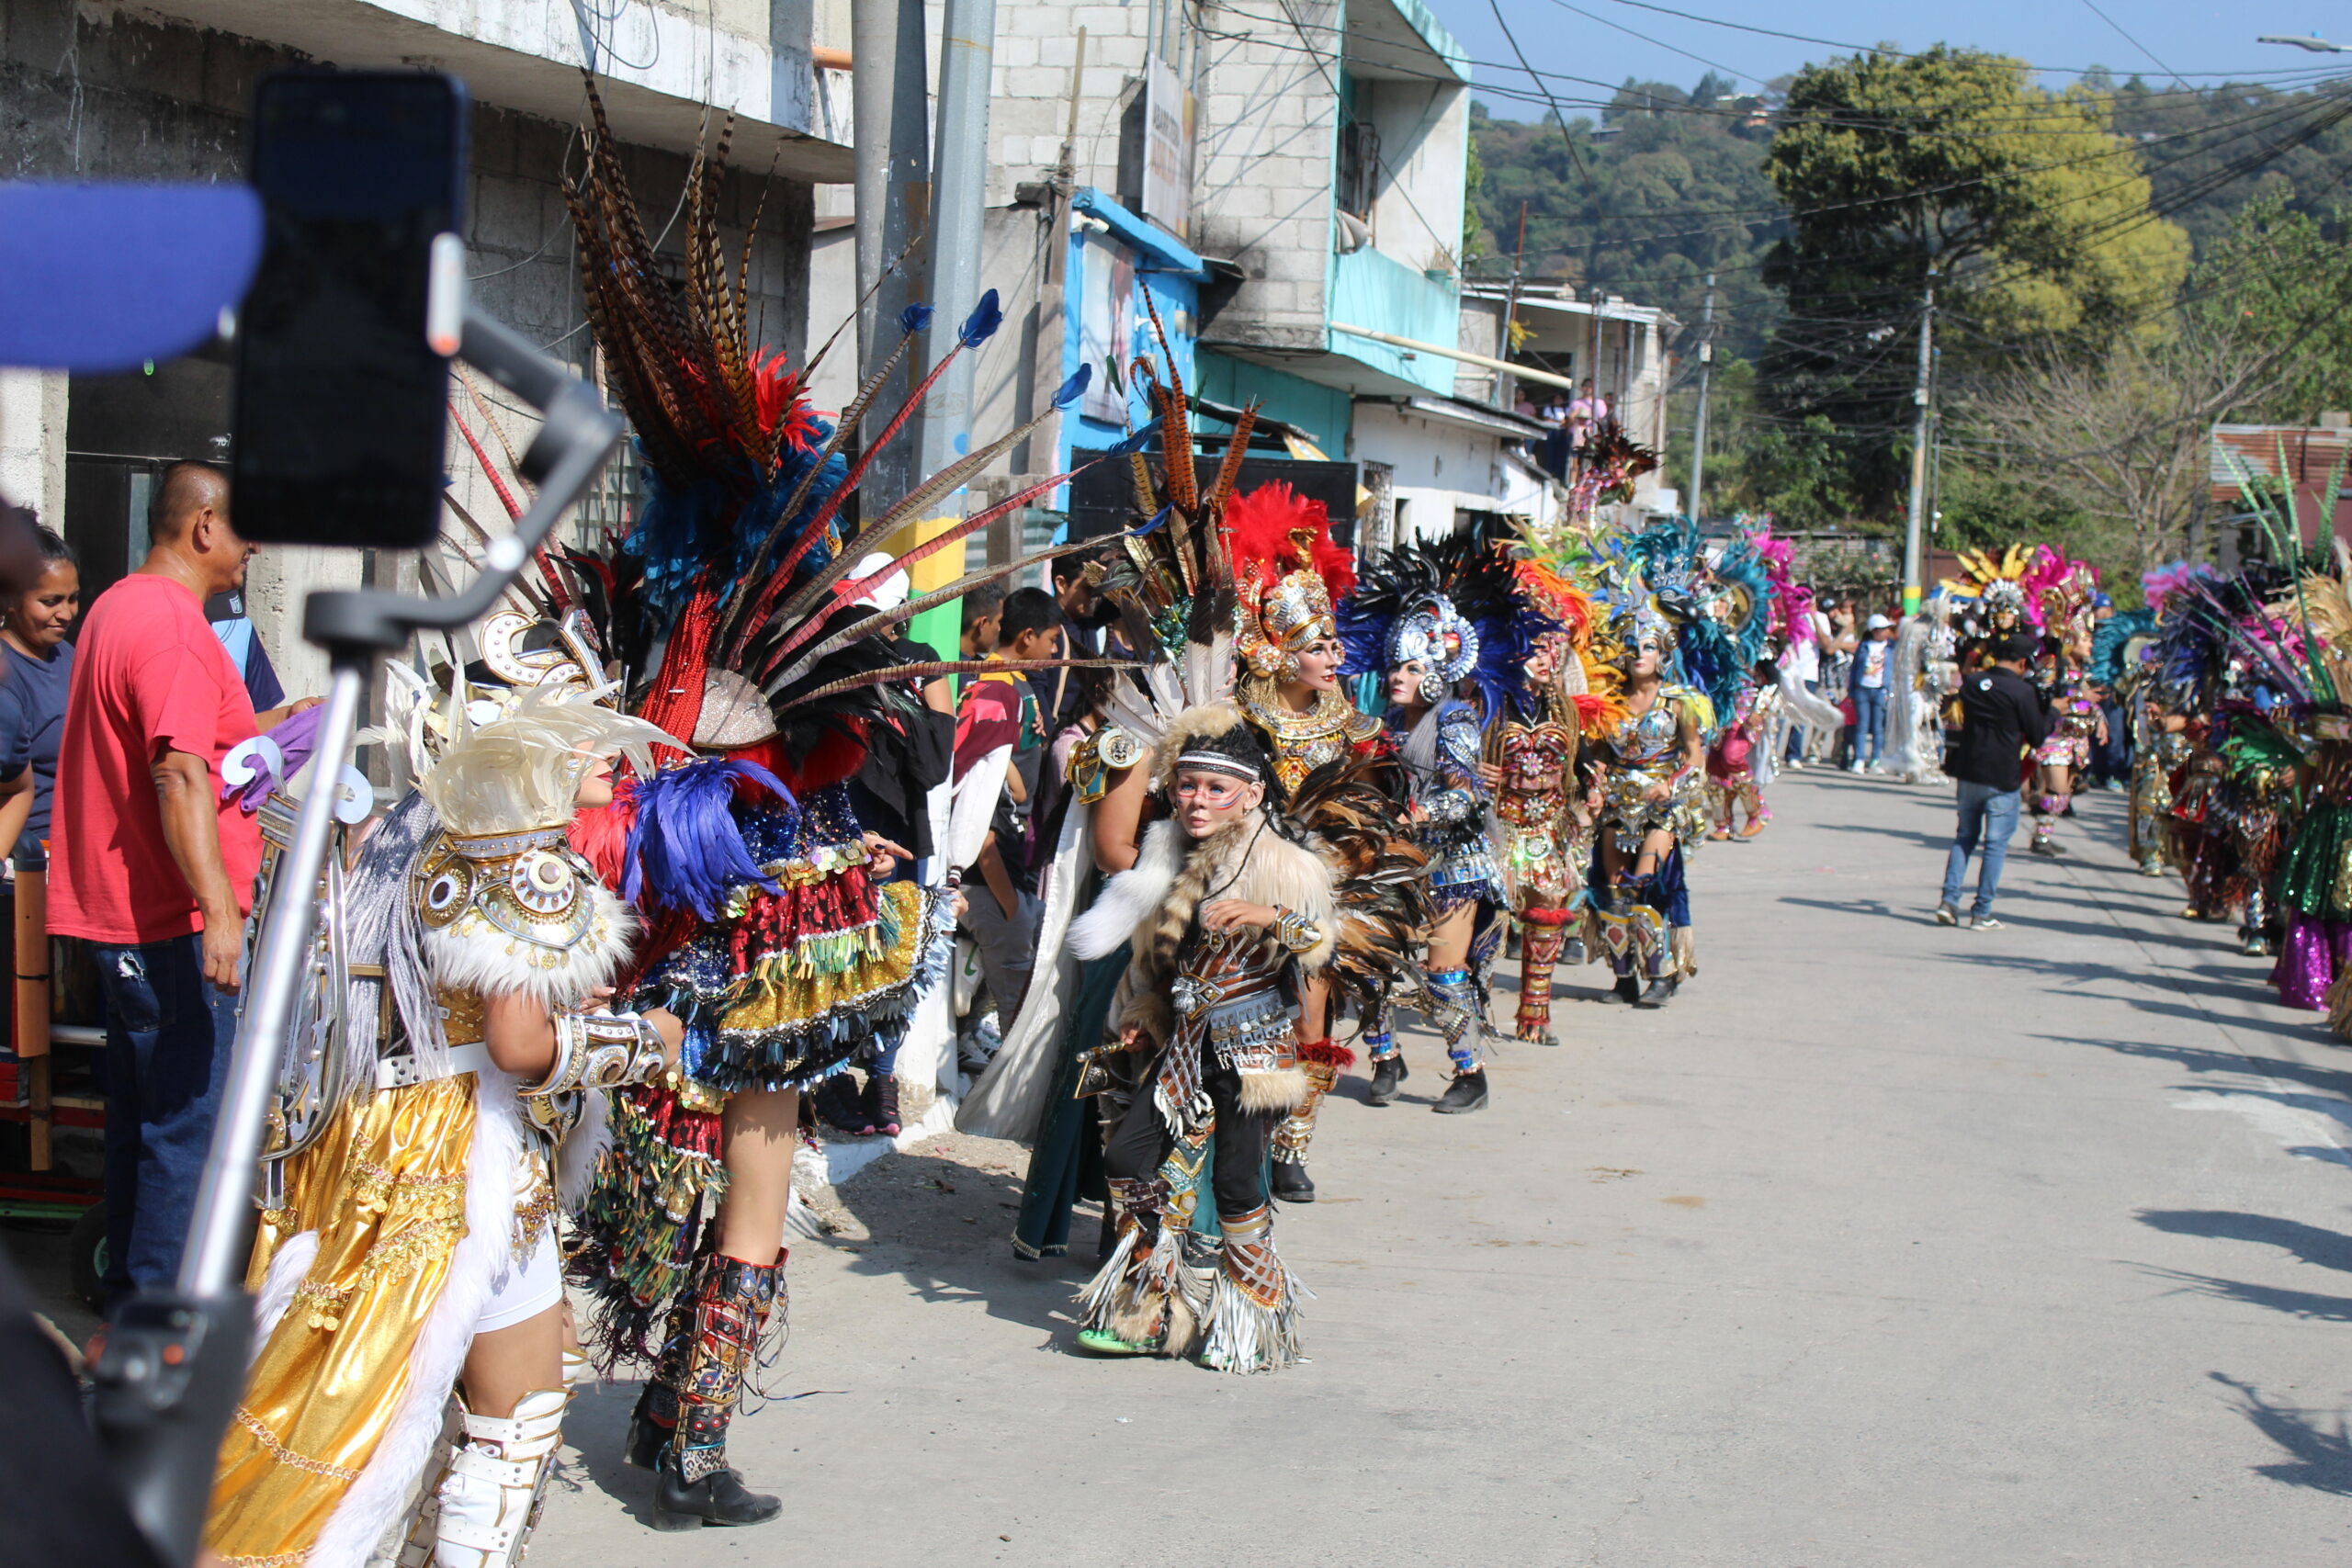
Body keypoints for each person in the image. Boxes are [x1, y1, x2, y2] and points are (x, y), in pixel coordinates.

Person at [205, 673, 680, 1568]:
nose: (615, 755)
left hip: (374, 1139)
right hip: (465, 1156)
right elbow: (516, 1042)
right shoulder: (519, 852)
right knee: (511, 1429)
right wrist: (649, 1042)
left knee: (405, 1420)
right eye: (592, 729)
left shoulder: (407, 828)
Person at [47, 460, 314, 1302]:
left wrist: (289, 724)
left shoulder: (121, 608)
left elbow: (206, 747)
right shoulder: (168, 625)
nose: (253, 547)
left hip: (126, 919)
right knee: (182, 1134)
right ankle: (156, 1332)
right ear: (204, 527)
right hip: (167, 922)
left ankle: (127, 1305)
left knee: (143, 1124)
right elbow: (179, 775)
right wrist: (217, 912)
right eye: (243, 529)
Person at [1067, 704, 1338, 1371]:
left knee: (1240, 1183)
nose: (1197, 800)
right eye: (1187, 783)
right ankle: (1151, 1303)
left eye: (1216, 788)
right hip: (1182, 1046)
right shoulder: (1166, 850)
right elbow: (1163, 962)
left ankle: (1250, 1317)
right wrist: (1148, 1010)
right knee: (1130, 1161)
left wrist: (1267, 913)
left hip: (1253, 1054)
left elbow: (1320, 943)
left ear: (1252, 793)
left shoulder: (1286, 861)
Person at [1337, 535, 1509, 1119]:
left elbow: (1467, 792)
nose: (1396, 677)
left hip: (1455, 864)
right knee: (1366, 957)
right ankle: (1385, 1058)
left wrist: (1420, 813)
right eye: (1393, 667)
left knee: (1442, 973)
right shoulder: (1386, 722)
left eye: (1410, 668)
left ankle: (1471, 1074)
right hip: (1400, 858)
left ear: (1436, 672)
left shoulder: (1454, 717)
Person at [1586, 592, 1707, 1007]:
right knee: (1614, 892)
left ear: (1664, 651)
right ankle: (1623, 980)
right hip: (1617, 806)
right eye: (1633, 645)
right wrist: (1596, 780)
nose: (1639, 653)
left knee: (1648, 883)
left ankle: (1663, 974)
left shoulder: (1680, 703)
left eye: (1650, 645)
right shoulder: (1611, 704)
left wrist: (1670, 786)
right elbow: (1600, 754)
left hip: (1661, 808)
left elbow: (1695, 758)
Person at [955, 585, 1062, 1026]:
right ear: (1028, 637)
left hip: (1010, 862)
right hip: (991, 865)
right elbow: (980, 781)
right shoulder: (993, 688)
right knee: (1013, 1000)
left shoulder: (1017, 684)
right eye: (1053, 640)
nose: (1056, 650)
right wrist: (1010, 904)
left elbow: (1008, 765)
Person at [1936, 631, 2052, 930]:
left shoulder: (1974, 683)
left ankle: (1949, 901)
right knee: (1995, 845)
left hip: (1970, 769)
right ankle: (1981, 911)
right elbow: (2037, 735)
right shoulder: (2022, 692)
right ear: (2024, 662)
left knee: (1965, 837)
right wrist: (2052, 712)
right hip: (2002, 775)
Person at [0, 525, 80, 868]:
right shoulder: (7, 676)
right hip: (31, 859)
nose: (65, 614)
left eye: (73, 598)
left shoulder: (67, 655)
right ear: (11, 601)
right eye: (50, 602)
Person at [1848, 613, 1894, 773]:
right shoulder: (1863, 646)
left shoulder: (1890, 647)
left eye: (1887, 629)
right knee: (1862, 725)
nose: (1885, 632)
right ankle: (1859, 758)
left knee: (1878, 727)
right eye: (1882, 629)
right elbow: (1854, 670)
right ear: (1874, 631)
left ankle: (1876, 759)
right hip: (1863, 689)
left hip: (1881, 690)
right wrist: (1851, 692)